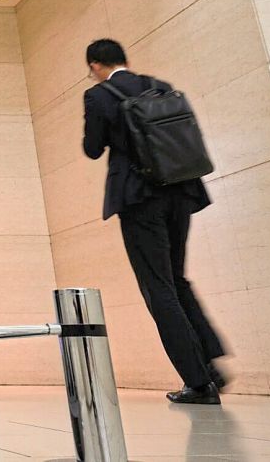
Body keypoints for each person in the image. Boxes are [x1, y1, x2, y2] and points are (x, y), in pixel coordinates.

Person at [82, 39, 226, 405]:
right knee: (177, 279)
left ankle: (198, 382)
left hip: (138, 200)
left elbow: (93, 148)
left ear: (96, 65)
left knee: (157, 287)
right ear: (125, 60)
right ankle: (209, 363)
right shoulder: (159, 86)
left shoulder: (99, 96)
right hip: (181, 192)